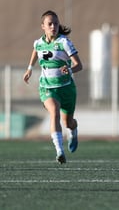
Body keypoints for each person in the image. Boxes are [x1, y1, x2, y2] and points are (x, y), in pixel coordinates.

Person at [23, 10, 83, 164]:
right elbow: (36, 50)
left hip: (66, 88)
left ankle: (73, 131)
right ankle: (59, 151)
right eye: (49, 24)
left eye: (56, 23)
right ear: (43, 26)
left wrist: (69, 70)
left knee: (68, 122)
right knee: (54, 112)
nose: (53, 26)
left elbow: (79, 65)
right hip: (47, 88)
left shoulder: (64, 42)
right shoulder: (38, 42)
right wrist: (30, 68)